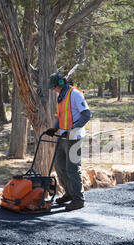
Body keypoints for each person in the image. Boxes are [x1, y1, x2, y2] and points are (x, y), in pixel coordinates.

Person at [45, 73, 92, 211]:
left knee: (72, 169)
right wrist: (54, 128)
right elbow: (62, 116)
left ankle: (79, 199)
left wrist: (72, 129)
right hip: (63, 136)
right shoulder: (61, 97)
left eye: (54, 87)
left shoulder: (75, 94)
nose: (54, 90)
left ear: (60, 83)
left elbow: (87, 115)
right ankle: (69, 193)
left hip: (74, 137)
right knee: (59, 166)